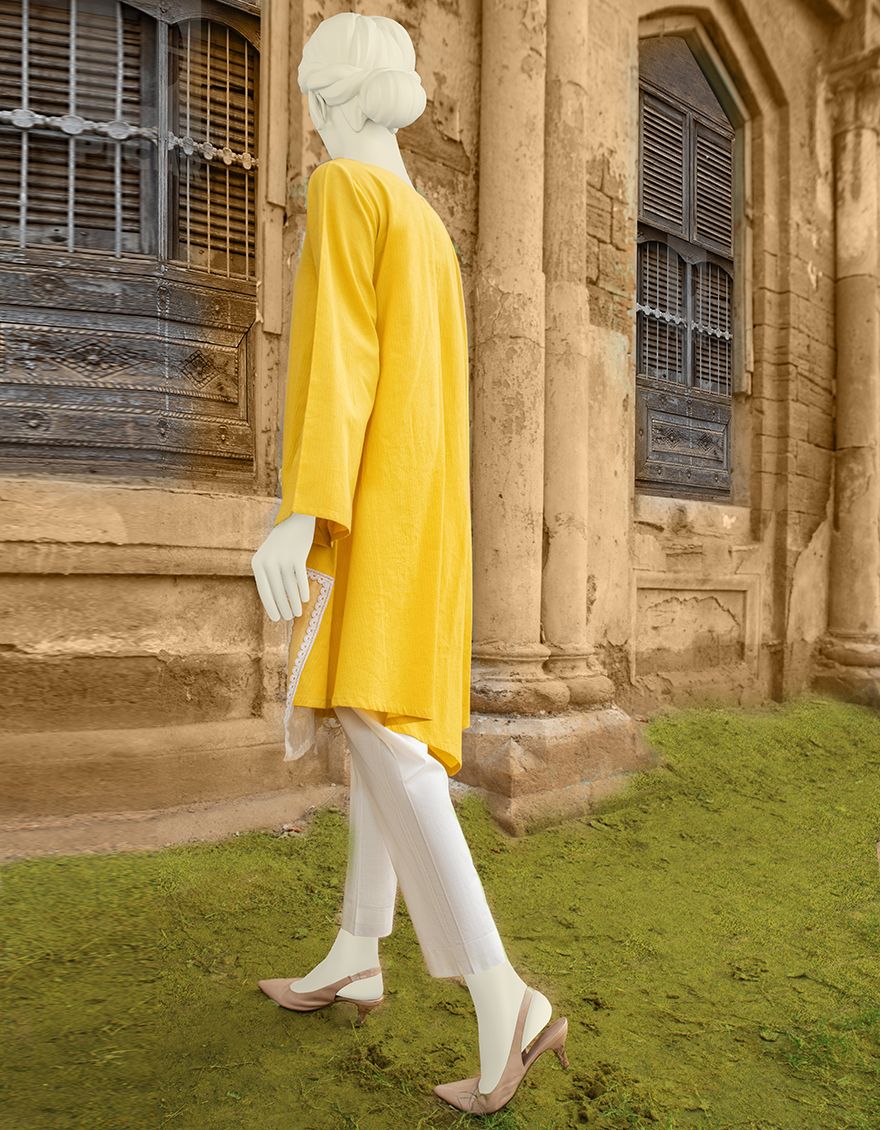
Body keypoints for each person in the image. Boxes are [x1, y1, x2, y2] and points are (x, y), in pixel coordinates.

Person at [249, 12, 568, 1114]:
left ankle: (501, 992)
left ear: (330, 95)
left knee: (380, 728)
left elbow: (340, 363)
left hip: (374, 505)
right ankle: (357, 949)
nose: (305, 106)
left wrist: (302, 513)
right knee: (377, 722)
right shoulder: (427, 221)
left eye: (308, 87)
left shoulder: (345, 190)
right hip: (426, 508)